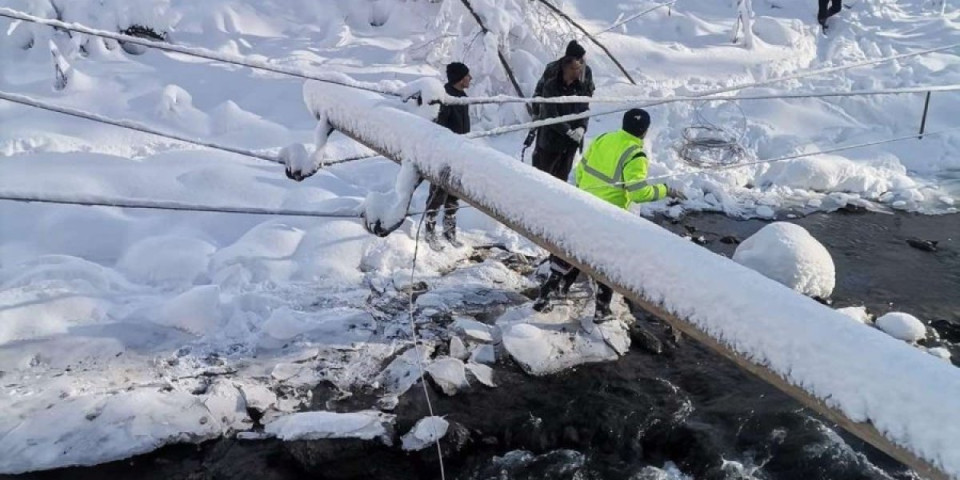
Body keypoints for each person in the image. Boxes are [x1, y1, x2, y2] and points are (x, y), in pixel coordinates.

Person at [533, 108, 685, 322]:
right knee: (606, 261)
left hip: (582, 203)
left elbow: (582, 169)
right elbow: (638, 193)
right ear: (645, 131)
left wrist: (585, 192)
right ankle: (602, 311)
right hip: (607, 216)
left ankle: (549, 294)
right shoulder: (635, 153)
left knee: (572, 249)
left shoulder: (603, 139)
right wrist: (665, 190)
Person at [425, 62, 471, 250]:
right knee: (438, 193)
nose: (470, 78)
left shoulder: (462, 96)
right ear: (460, 78)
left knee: (453, 193)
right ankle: (429, 231)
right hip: (444, 153)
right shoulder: (445, 98)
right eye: (468, 75)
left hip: (459, 151)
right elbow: (439, 128)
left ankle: (449, 231)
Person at [523, 40, 595, 153]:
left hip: (570, 121)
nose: (582, 62)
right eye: (580, 59)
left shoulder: (585, 70)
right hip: (553, 121)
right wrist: (537, 114)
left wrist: (581, 125)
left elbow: (586, 97)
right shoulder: (553, 68)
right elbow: (540, 91)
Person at [530, 55, 591, 181]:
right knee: (541, 178)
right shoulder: (551, 86)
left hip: (570, 145)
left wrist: (581, 128)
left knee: (561, 180)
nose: (577, 72)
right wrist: (567, 131)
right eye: (573, 69)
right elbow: (550, 114)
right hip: (550, 142)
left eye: (579, 69)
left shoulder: (582, 87)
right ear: (565, 68)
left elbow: (585, 109)